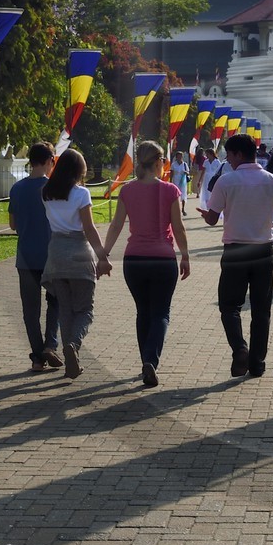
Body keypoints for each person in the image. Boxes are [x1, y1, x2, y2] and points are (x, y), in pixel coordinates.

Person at [199, 133, 273, 378]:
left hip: (235, 252)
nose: (228, 160)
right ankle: (257, 363)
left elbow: (211, 219)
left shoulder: (226, 181)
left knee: (229, 306)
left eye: (229, 155)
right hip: (264, 252)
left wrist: (205, 215)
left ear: (239, 154)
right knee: (262, 310)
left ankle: (239, 347)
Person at [102, 140, 191, 388]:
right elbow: (178, 227)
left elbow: (116, 225)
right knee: (161, 313)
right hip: (163, 259)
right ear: (159, 162)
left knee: (143, 312)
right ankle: (150, 360)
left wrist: (104, 254)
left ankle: (145, 361)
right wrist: (184, 254)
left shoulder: (128, 190)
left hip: (134, 260)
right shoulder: (170, 190)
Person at [39, 148, 111, 380]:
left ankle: (71, 357)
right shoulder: (81, 194)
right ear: (79, 171)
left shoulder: (46, 192)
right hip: (79, 253)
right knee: (85, 310)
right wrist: (102, 257)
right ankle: (73, 345)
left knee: (66, 310)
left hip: (56, 253)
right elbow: (88, 228)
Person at [8, 142, 63, 373]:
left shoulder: (17, 188)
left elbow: (12, 224)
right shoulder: (54, 188)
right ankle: (51, 343)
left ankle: (37, 357)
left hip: (26, 257)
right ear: (50, 159)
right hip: (51, 255)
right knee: (56, 302)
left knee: (30, 310)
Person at [197, 146, 227, 213]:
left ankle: (213, 207)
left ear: (211, 154)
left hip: (213, 179)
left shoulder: (217, 161)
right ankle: (208, 207)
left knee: (213, 193)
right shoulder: (206, 161)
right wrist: (199, 180)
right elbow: (203, 171)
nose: (206, 155)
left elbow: (219, 171)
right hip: (206, 179)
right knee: (206, 193)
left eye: (207, 154)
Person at [169, 149, 191, 213]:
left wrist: (185, 172)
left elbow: (188, 172)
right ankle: (176, 208)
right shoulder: (173, 164)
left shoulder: (184, 164)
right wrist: (170, 182)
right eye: (178, 156)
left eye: (181, 156)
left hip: (183, 181)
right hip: (176, 180)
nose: (180, 157)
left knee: (183, 194)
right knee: (176, 195)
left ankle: (183, 208)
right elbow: (172, 173)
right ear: (176, 157)